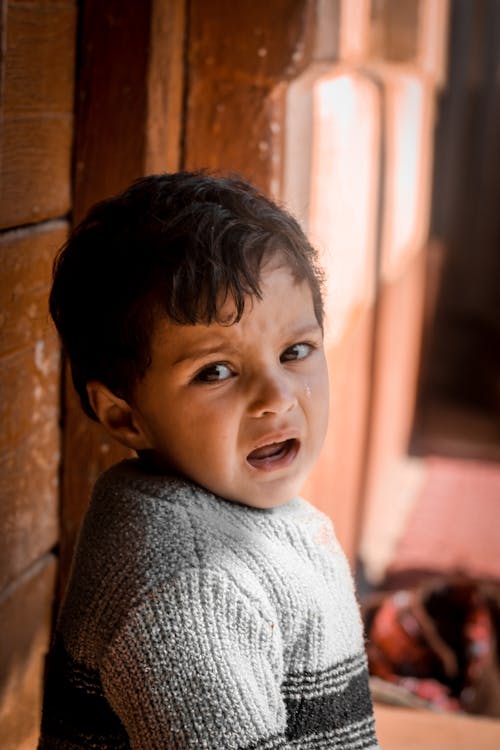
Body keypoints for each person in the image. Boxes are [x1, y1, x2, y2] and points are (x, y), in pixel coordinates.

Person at [38, 172, 379, 749]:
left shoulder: (225, 509)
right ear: (125, 416)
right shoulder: (188, 599)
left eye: (295, 352)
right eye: (215, 372)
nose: (277, 397)